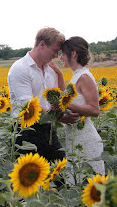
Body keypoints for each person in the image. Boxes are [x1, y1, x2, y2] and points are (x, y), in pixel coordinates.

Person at [7, 27, 77, 162]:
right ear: (42, 44)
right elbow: (29, 106)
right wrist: (61, 118)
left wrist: (60, 75)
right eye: (55, 51)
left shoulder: (50, 70)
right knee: (31, 178)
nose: (56, 56)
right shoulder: (20, 69)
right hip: (26, 130)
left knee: (60, 174)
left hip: (49, 128)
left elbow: (58, 98)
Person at [59, 36, 105, 181]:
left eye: (63, 54)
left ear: (73, 54)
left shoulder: (84, 77)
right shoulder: (76, 76)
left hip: (85, 139)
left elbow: (94, 110)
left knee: (87, 186)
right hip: (74, 137)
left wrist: (65, 104)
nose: (61, 58)